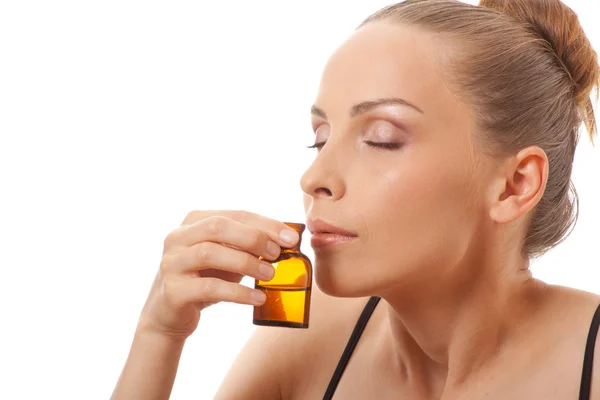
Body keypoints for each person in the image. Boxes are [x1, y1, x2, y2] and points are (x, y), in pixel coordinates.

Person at [111, 0, 600, 398]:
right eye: (321, 137)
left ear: (515, 185)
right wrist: (158, 337)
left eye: (382, 137)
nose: (314, 176)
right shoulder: (310, 337)